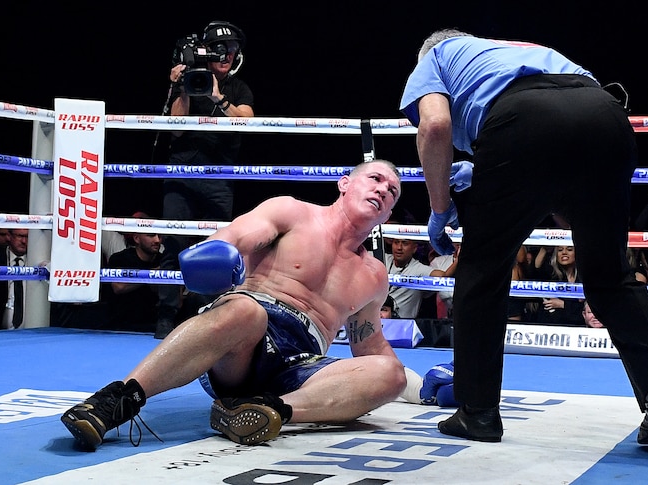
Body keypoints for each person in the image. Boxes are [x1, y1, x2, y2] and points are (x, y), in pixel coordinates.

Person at [400, 28, 648, 444]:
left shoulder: (436, 56)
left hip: (522, 122)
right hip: (605, 116)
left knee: (482, 273)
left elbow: (436, 126)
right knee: (609, 275)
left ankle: (477, 412)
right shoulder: (525, 50)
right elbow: (558, 156)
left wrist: (441, 205)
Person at [60, 160, 408, 450]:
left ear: (388, 216)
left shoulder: (374, 275)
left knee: (391, 375)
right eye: (375, 179)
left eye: (391, 191)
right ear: (344, 183)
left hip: (301, 366)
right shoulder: (292, 212)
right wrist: (219, 251)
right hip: (242, 340)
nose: (381, 190)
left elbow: (371, 344)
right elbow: (235, 236)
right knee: (246, 311)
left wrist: (423, 389)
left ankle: (265, 411)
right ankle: (116, 401)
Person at [155, 20, 255, 340]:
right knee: (173, 243)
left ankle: (209, 313)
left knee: (215, 248)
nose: (226, 56)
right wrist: (181, 87)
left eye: (232, 51)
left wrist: (217, 98)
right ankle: (166, 316)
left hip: (220, 178)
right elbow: (176, 128)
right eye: (220, 50)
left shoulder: (238, 89)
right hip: (182, 174)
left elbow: (248, 122)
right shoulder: (187, 81)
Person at [105, 213, 164, 332]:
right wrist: (152, 275)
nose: (157, 240)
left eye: (159, 235)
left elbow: (177, 298)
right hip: (121, 325)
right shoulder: (121, 258)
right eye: (151, 235)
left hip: (155, 324)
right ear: (137, 238)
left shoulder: (164, 261)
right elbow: (119, 287)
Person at [385, 237, 446, 318]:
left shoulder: (418, 268)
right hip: (377, 322)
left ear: (414, 248)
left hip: (405, 326)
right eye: (396, 242)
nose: (399, 248)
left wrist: (459, 259)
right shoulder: (381, 259)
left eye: (405, 243)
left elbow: (443, 276)